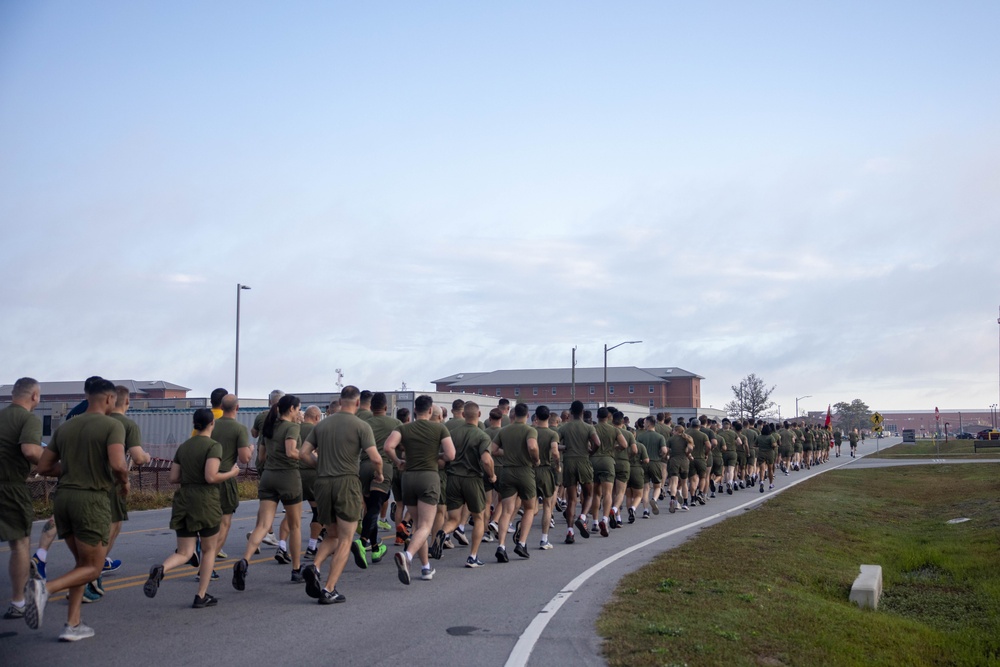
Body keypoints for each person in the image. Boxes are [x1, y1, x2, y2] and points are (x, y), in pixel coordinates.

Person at [26, 377, 128, 641]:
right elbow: (118, 465)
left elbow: (44, 467)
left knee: (81, 563)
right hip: (91, 501)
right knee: (93, 568)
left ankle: (73, 624)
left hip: (63, 499)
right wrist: (124, 483)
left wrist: (71, 470)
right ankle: (45, 590)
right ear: (108, 399)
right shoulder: (112, 425)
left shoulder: (66, 427)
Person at [143, 409, 240, 607]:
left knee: (185, 552)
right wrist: (232, 473)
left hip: (184, 499)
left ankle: (161, 569)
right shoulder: (213, 446)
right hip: (205, 501)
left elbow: (173, 478)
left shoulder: (184, 447)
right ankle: (201, 595)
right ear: (212, 423)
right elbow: (211, 477)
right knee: (209, 549)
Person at [300, 386, 381, 604]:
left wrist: (320, 466)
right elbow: (375, 458)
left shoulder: (322, 424)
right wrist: (380, 475)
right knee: (346, 539)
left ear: (340, 400)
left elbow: (302, 453)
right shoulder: (361, 426)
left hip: (323, 483)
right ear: (357, 403)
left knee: (332, 535)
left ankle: (315, 567)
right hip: (346, 482)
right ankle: (329, 589)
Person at [234, 395, 303, 590]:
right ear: (291, 409)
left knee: (263, 525)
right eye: (298, 409)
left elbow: (261, 456)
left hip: (268, 477)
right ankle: (296, 569)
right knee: (295, 525)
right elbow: (291, 452)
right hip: (288, 476)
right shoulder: (292, 427)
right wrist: (308, 456)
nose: (299, 412)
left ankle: (244, 561)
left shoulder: (269, 426)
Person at [384, 395, 455, 584]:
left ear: (415, 410)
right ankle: (407, 556)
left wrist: (398, 461)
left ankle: (425, 568)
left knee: (417, 526)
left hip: (408, 478)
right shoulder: (440, 427)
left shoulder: (403, 428)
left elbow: (388, 446)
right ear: (431, 411)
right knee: (426, 526)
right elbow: (450, 454)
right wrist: (435, 454)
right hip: (428, 478)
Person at [1, 378, 43, 620]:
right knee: (19, 545)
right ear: (34, 396)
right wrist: (56, 464)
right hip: (10, 487)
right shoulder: (28, 419)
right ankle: (18, 602)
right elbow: (30, 450)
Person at [102, 386, 152, 582]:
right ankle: (96, 566)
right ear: (127, 402)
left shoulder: (98, 421)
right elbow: (138, 458)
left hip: (85, 480)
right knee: (113, 523)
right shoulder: (127, 425)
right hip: (113, 481)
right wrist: (146, 457)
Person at [439, 402, 495, 567]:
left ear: (463, 415)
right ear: (479, 415)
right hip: (472, 479)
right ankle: (473, 556)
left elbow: (443, 456)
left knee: (453, 519)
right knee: (478, 517)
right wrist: (491, 476)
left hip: (453, 478)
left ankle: (442, 534)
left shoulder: (452, 434)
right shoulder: (482, 436)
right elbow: (486, 460)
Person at [490, 403, 540, 561]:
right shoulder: (530, 430)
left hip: (507, 471)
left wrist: (508, 453)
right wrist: (536, 459)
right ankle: (522, 543)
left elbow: (492, 450)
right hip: (524, 471)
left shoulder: (504, 430)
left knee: (506, 511)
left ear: (513, 414)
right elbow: (532, 446)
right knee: (530, 508)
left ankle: (501, 546)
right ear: (527, 415)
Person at [357, 392, 398, 566]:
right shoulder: (395, 424)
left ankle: (375, 549)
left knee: (370, 509)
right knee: (375, 507)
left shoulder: (363, 424)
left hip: (363, 466)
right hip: (384, 466)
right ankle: (363, 541)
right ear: (386, 408)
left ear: (371, 408)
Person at [211, 395, 252, 561]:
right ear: (237, 408)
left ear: (221, 406)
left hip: (206, 477)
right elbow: (244, 458)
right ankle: (209, 563)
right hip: (225, 478)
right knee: (224, 522)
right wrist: (250, 449)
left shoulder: (211, 425)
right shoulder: (239, 429)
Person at [559, 400, 599, 544]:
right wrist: (590, 452)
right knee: (588, 494)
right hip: (583, 461)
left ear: (571, 412)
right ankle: (582, 517)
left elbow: (555, 444)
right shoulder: (589, 427)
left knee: (571, 500)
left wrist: (566, 448)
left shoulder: (564, 428)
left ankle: (570, 532)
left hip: (569, 462)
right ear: (582, 412)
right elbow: (597, 443)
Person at [248, 389, 284, 549]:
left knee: (266, 499)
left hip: (262, 461)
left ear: (269, 401)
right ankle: (266, 531)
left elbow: (254, 433)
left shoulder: (261, 416)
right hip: (277, 462)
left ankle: (261, 533)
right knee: (273, 500)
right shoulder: (284, 418)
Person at [589, 408, 626, 536]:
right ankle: (604, 518)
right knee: (608, 493)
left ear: (597, 416)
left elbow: (588, 445)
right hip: (608, 461)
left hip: (593, 460)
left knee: (596, 494)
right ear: (609, 417)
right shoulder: (614, 429)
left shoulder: (592, 428)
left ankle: (594, 522)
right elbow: (624, 445)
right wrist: (615, 447)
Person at [296, 406, 323, 559]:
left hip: (295, 474)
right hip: (312, 475)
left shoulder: (295, 429)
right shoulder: (317, 431)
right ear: (317, 418)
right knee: (318, 512)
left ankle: (282, 545)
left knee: (292, 514)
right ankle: (312, 546)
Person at [533, 406, 560, 549]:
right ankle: (544, 539)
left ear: (535, 417)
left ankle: (520, 532)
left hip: (531, 470)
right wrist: (557, 465)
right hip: (545, 469)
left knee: (530, 507)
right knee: (548, 505)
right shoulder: (552, 434)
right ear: (549, 417)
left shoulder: (531, 432)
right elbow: (555, 451)